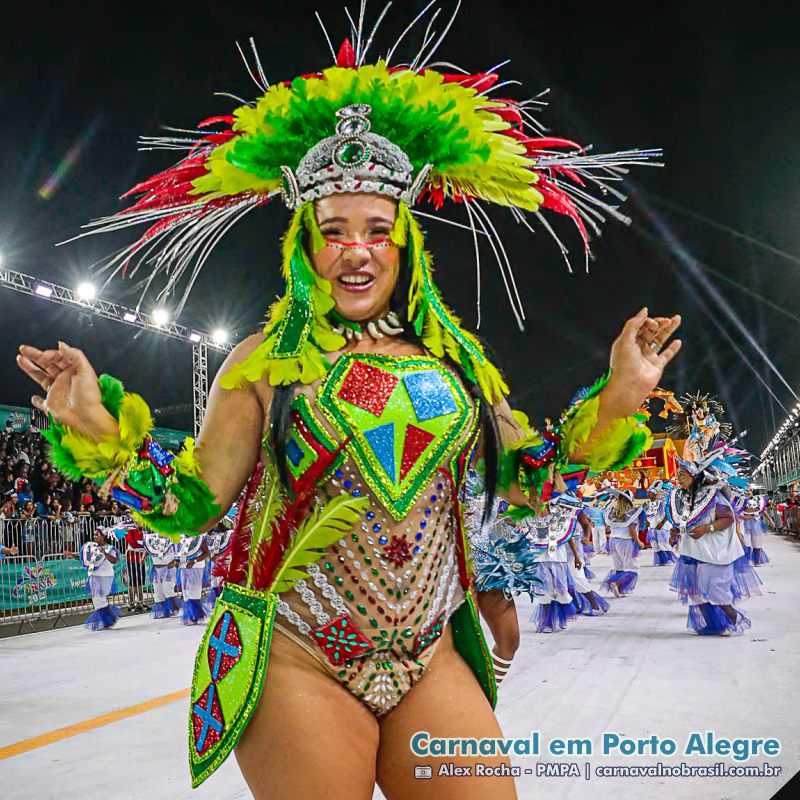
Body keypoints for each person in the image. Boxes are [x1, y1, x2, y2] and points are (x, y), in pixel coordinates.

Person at [17, 6, 681, 796]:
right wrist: (96, 428)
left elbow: (527, 477)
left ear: (406, 245)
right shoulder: (261, 364)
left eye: (377, 229)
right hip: (300, 654)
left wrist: (615, 400)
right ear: (306, 244)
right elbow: (189, 506)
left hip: (430, 654)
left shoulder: (459, 360)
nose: (357, 249)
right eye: (334, 230)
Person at [666, 456, 752, 635]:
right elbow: (683, 521)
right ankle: (713, 625)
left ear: (694, 476)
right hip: (692, 551)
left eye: (682, 474)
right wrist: (675, 532)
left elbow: (728, 518)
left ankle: (734, 621)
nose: (678, 477)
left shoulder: (712, 495)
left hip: (714, 552)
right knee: (695, 592)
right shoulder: (683, 496)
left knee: (714, 589)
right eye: (678, 474)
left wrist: (707, 528)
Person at [63, 526, 122, 630]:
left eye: (97, 534)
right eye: (94, 534)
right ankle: (107, 621)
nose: (94, 536)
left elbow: (114, 560)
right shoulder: (91, 547)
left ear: (103, 537)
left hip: (105, 577)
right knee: (96, 601)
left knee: (100, 599)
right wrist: (71, 555)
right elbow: (84, 559)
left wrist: (105, 553)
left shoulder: (109, 548)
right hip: (93, 577)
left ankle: (110, 618)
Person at [600, 489, 642, 597]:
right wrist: (638, 542)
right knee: (632, 567)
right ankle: (617, 583)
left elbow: (608, 527)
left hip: (613, 540)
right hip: (626, 540)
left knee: (618, 566)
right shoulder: (632, 513)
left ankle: (620, 590)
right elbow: (632, 531)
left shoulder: (613, 512)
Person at [143, 531, 182, 619]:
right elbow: (147, 548)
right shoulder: (151, 537)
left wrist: (175, 561)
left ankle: (175, 609)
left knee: (167, 588)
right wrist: (144, 556)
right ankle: (162, 612)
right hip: (156, 568)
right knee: (158, 591)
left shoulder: (173, 537)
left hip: (168, 568)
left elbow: (179, 550)